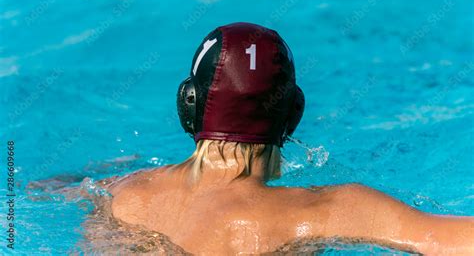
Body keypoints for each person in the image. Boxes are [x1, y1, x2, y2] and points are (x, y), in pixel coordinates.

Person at [106, 22, 474, 255]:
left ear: (190, 104)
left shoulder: (126, 194)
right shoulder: (317, 212)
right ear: (292, 114)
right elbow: (443, 240)